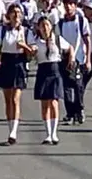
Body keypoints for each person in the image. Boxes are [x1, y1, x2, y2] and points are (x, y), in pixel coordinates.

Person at [0, 4, 32, 144]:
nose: (16, 15)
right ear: (9, 15)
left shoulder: (26, 32)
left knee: (15, 98)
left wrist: (24, 46)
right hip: (6, 62)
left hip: (19, 63)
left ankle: (14, 132)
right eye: (13, 12)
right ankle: (10, 128)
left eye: (18, 12)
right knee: (8, 100)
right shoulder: (2, 30)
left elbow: (32, 51)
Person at [29, 16, 69, 145]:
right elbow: (31, 54)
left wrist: (72, 59)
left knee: (54, 102)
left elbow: (70, 48)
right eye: (42, 26)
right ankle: (47, 134)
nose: (45, 28)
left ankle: (54, 133)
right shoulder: (36, 41)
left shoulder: (57, 39)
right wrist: (31, 51)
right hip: (43, 70)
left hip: (55, 70)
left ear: (51, 26)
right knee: (45, 103)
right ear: (38, 28)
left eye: (47, 25)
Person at [57, 0, 91, 125]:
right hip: (64, 58)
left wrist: (88, 59)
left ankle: (79, 110)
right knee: (66, 87)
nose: (68, 7)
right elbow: (57, 40)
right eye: (66, 4)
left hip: (79, 58)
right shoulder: (60, 23)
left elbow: (87, 41)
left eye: (71, 4)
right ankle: (70, 113)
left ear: (75, 6)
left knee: (78, 86)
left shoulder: (81, 21)